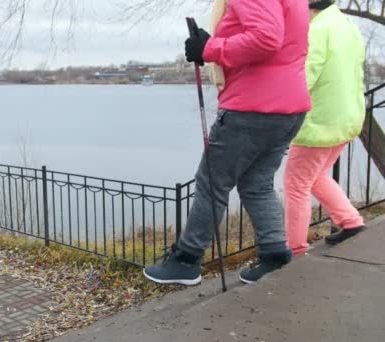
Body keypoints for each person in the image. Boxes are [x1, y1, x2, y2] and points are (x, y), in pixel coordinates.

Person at [144, 0, 311, 285]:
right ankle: (274, 254)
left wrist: (209, 49)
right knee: (256, 183)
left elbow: (266, 38)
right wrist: (210, 45)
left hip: (253, 107)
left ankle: (186, 259)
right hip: (289, 107)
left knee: (211, 182)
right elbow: (278, 39)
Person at [285, 0, 366, 257]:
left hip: (319, 123)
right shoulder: (345, 24)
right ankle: (351, 221)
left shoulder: (316, 30)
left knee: (295, 184)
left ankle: (294, 250)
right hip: (346, 118)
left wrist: (278, 102)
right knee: (316, 176)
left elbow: (305, 75)